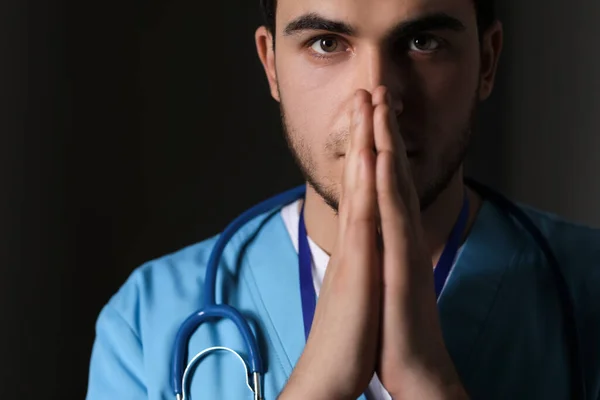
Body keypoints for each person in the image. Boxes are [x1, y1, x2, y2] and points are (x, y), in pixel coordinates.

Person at [86, 0, 600, 398]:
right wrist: (317, 388)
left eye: (423, 41)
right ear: (271, 67)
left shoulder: (587, 286)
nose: (377, 96)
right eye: (327, 43)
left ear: (487, 62)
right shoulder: (145, 321)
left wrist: (428, 385)